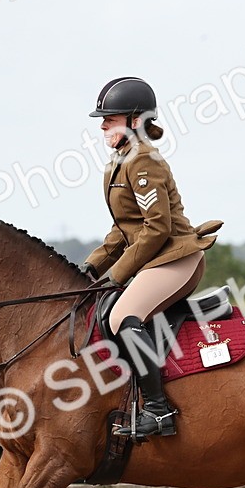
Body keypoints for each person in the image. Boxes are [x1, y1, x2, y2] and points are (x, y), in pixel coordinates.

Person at [81, 76, 222, 439]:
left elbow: (157, 228)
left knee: (121, 316)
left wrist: (116, 275)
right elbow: (123, 229)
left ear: (134, 120)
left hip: (176, 258)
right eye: (103, 119)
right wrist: (91, 267)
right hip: (155, 258)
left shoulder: (143, 161)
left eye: (110, 119)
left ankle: (159, 412)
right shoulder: (119, 162)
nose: (102, 125)